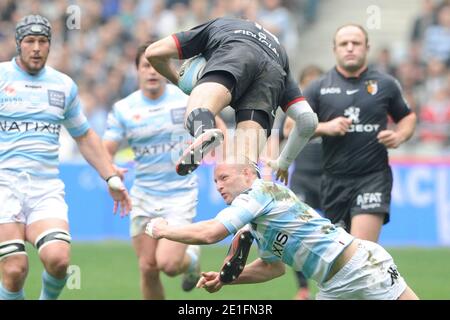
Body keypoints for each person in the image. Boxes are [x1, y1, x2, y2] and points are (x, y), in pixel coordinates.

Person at [145, 156, 419, 300]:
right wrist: (225, 278)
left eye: (224, 177)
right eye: (215, 181)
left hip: (363, 267)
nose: (218, 186)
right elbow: (272, 267)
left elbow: (211, 232)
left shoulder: (261, 192)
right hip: (332, 286)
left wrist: (164, 229)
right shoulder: (258, 222)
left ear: (248, 174)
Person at [0, 15, 131, 300]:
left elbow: (83, 135)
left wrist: (109, 174)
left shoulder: (63, 86)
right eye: (30, 41)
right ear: (18, 44)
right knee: (14, 270)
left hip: (44, 186)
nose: (36, 48)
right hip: (3, 185)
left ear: (50, 45)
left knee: (59, 259)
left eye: (43, 41)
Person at [102, 43, 225, 300]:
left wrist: (226, 156)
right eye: (145, 66)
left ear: (167, 68)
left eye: (156, 65)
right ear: (136, 70)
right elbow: (106, 149)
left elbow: (217, 127)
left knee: (167, 265)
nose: (151, 72)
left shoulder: (185, 98)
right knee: (148, 267)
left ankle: (189, 261)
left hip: (179, 194)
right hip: (144, 195)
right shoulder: (124, 109)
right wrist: (110, 171)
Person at [144, 17, 318, 180]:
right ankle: (251, 190)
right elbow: (307, 120)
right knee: (244, 169)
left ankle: (204, 131)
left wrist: (182, 83)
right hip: (271, 74)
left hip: (235, 52)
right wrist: (284, 162)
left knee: (198, 110)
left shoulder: (218, 25)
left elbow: (153, 52)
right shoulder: (281, 55)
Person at [287, 24, 417, 242]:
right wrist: (325, 128)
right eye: (344, 44)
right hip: (333, 181)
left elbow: (408, 117)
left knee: (361, 253)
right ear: (334, 49)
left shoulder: (385, 84)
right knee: (341, 259)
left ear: (366, 47)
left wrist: (400, 135)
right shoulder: (318, 87)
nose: (350, 48)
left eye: (355, 43)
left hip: (373, 178)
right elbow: (290, 127)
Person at [283, 65, 324, 300]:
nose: (313, 88)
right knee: (296, 232)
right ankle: (302, 288)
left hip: (330, 178)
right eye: (308, 83)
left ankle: (332, 285)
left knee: (340, 231)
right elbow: (285, 132)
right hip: (303, 178)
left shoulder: (332, 108)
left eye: (317, 83)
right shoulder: (294, 111)